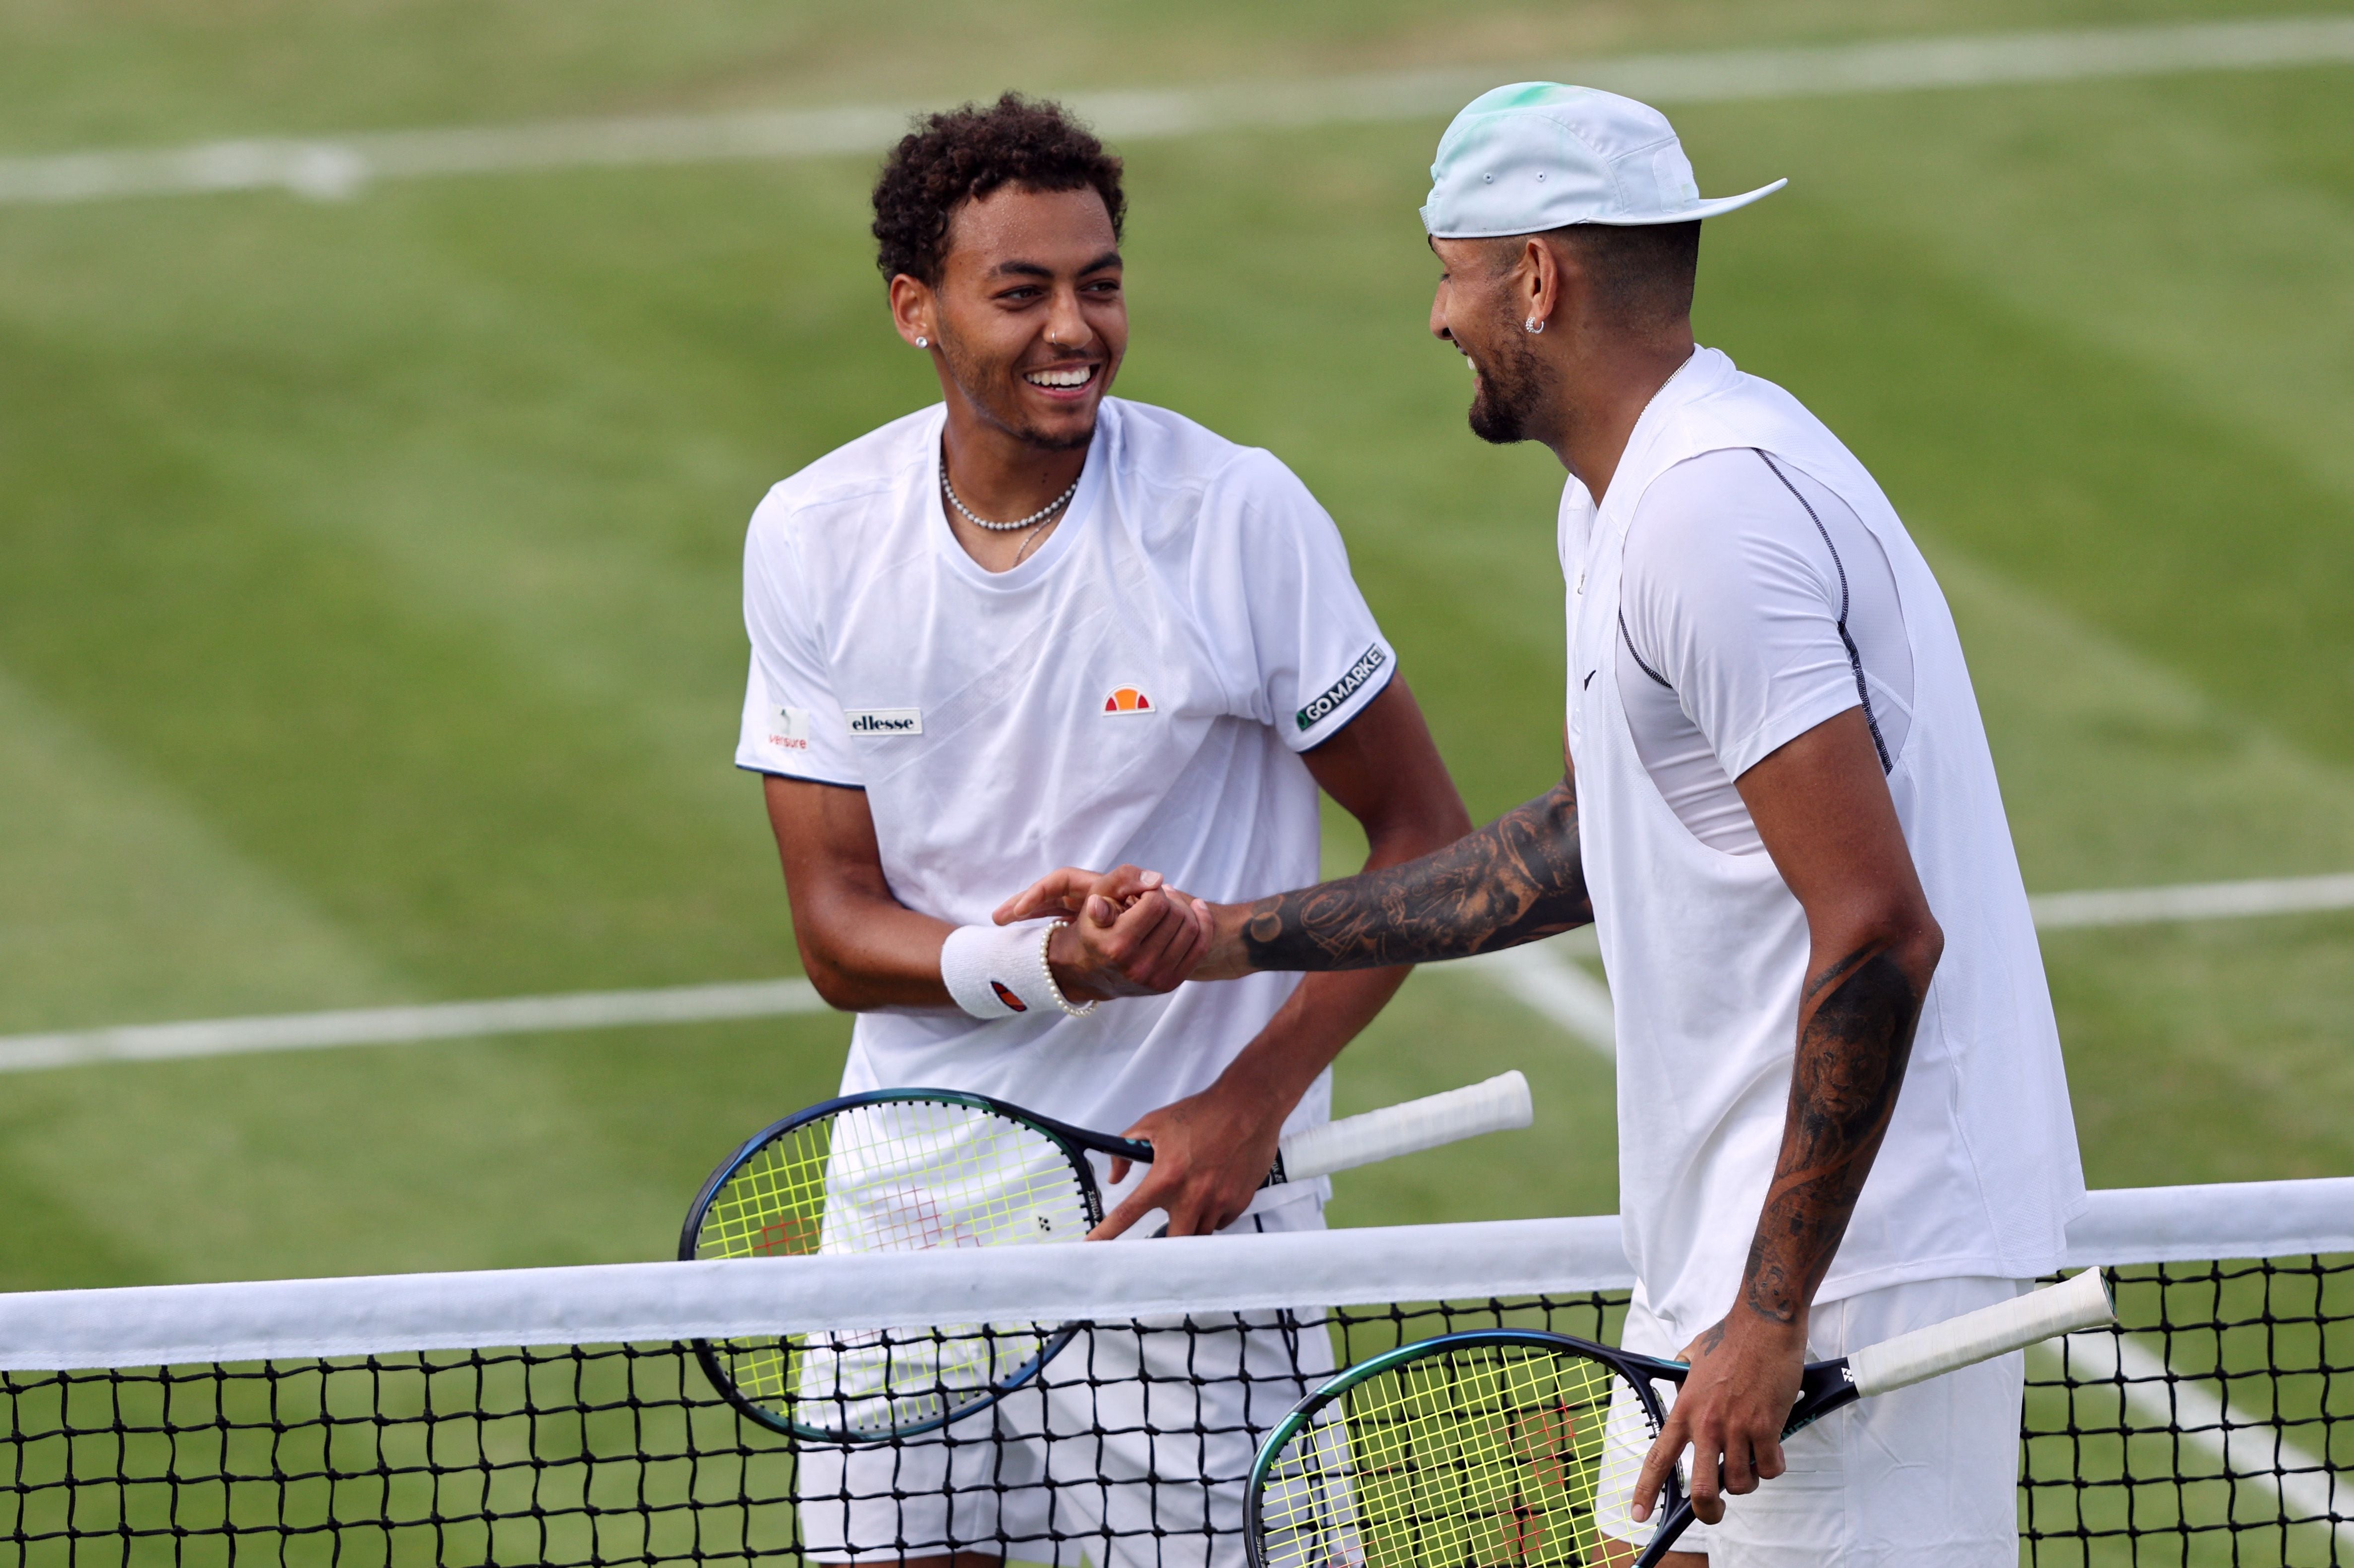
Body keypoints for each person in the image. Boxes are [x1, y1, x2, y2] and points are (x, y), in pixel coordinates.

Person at [1001, 85, 2085, 1566]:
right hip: (1733, 1255)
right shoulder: (1620, 505)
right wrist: (1217, 936)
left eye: (1449, 269)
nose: (1437, 315)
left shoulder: (1712, 513)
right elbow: (1581, 845)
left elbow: (1881, 923)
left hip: (1859, 1267)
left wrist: (1776, 1313)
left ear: (1536, 278)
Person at [734, 94, 1468, 1566]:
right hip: (915, 1222)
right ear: (915, 310)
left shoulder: (1236, 516)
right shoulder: (813, 537)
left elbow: (1425, 845)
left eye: (1101, 282)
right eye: (1022, 292)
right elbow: (835, 930)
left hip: (1180, 1223)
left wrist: (1252, 1106)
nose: (1074, 327)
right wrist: (1044, 963)